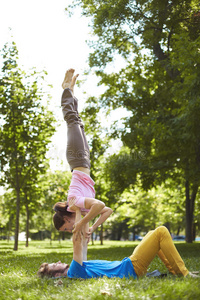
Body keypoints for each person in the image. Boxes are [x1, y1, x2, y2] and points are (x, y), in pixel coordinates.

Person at [38, 204, 199, 279]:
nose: (58, 261)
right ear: (58, 274)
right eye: (54, 265)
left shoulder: (79, 268)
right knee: (161, 232)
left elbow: (81, 239)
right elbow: (77, 242)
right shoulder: (74, 272)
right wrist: (78, 207)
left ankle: (175, 270)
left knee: (152, 234)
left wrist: (84, 217)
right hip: (131, 268)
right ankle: (184, 273)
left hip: (129, 265)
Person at [53, 69, 112, 235]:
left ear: (66, 218)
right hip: (84, 161)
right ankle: (71, 91)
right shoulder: (83, 210)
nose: (70, 228)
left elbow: (99, 205)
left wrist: (82, 224)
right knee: (78, 122)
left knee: (71, 119)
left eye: (66, 227)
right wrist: (93, 227)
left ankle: (65, 88)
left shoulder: (73, 204)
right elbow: (107, 210)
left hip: (76, 158)